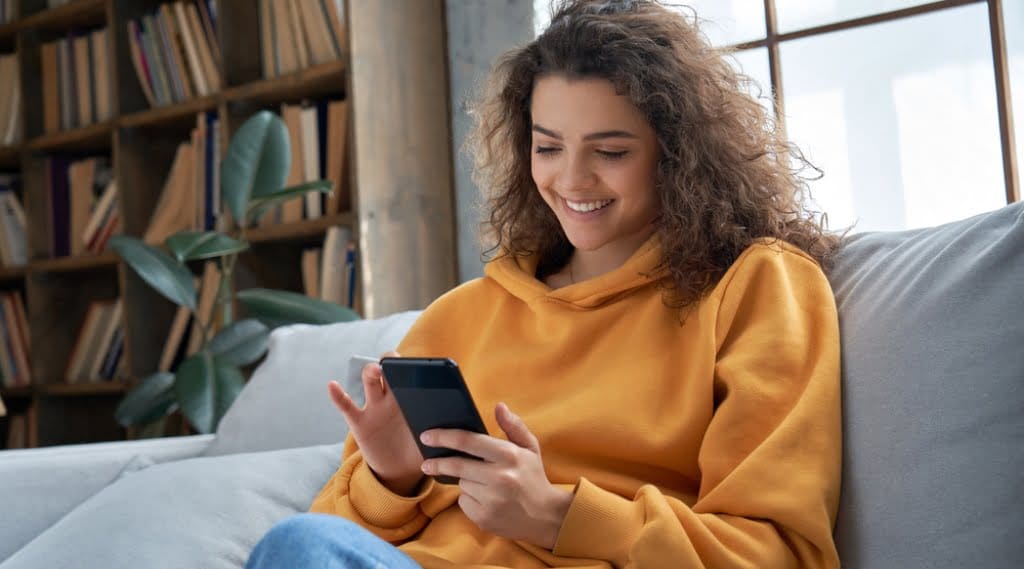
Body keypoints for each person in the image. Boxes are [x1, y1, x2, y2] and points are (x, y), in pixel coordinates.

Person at [245, 0, 842, 567]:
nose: (572, 179)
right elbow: (324, 544)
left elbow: (778, 552)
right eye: (548, 147)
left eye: (610, 150)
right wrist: (392, 479)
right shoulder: (459, 316)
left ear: (678, 154)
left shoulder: (757, 284)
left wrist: (556, 514)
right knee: (299, 544)